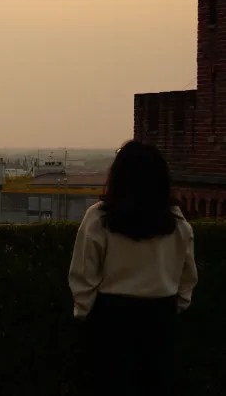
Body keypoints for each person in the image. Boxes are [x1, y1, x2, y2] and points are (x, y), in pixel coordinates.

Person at [68, 140, 198, 396]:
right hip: (161, 321)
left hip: (111, 322)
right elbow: (187, 279)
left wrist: (85, 314)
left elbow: (83, 276)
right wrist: (173, 307)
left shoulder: (98, 219)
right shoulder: (178, 225)